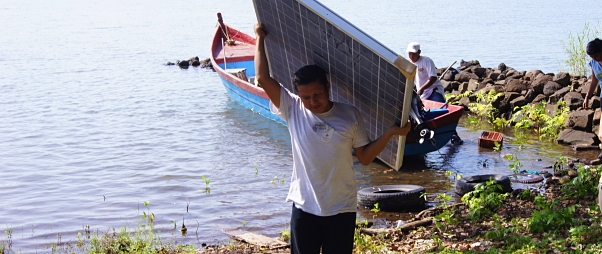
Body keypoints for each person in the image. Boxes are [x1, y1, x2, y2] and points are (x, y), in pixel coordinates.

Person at [253, 23, 411, 254]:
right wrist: (259, 38)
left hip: (341, 208)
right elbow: (262, 77)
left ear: (328, 86)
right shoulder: (292, 108)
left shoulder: (349, 115)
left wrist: (389, 133)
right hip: (305, 206)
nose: (313, 101)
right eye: (306, 97)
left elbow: (365, 157)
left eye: (317, 94)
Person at [582, 39, 602, 139]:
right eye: (592, 57)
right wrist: (587, 97)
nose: (595, 58)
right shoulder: (594, 63)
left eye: (596, 56)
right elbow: (594, 81)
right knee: (601, 135)